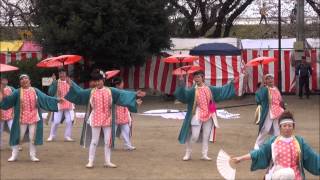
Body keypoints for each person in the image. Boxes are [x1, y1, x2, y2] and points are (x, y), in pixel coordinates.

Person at [64, 70, 145, 168]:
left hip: (108, 118)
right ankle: (90, 161)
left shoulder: (110, 90)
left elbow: (122, 94)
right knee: (94, 141)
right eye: (95, 81)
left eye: (99, 80)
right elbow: (80, 93)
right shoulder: (91, 91)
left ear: (103, 80)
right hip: (96, 118)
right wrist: (72, 84)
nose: (97, 83)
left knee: (108, 141)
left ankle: (107, 161)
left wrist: (135, 94)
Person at [232, 110, 320, 179]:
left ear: (293, 127)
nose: (287, 128)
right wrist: (241, 158)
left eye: (289, 126)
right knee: (288, 173)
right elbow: (259, 153)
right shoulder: (274, 141)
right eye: (284, 126)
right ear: (279, 127)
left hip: (296, 177)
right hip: (278, 175)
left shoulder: (299, 142)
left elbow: (313, 157)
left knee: (290, 173)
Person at [174, 70, 237, 161]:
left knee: (206, 135)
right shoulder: (192, 90)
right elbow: (184, 95)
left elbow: (221, 90)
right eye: (195, 77)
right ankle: (188, 152)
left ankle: (204, 154)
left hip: (209, 114)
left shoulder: (209, 88)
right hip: (197, 114)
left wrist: (231, 83)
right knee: (194, 136)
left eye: (198, 77)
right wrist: (181, 83)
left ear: (203, 78)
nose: (196, 79)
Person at [0, 74, 60, 162]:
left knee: (33, 137)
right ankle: (14, 155)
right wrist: (2, 96)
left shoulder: (35, 90)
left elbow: (45, 98)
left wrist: (57, 100)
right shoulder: (17, 92)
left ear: (29, 80)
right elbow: (8, 100)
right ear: (20, 82)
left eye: (26, 78)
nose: (24, 80)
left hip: (34, 118)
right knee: (18, 136)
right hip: (21, 118)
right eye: (22, 79)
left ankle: (33, 155)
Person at [254, 74, 284, 150]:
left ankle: (276, 144)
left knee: (277, 129)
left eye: (271, 78)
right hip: (269, 111)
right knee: (265, 128)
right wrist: (261, 88)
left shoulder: (276, 88)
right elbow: (258, 97)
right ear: (265, 81)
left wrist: (282, 106)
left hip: (278, 111)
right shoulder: (265, 89)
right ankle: (258, 144)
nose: (270, 80)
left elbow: (280, 99)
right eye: (268, 79)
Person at [47, 69, 75, 142]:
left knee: (69, 121)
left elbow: (75, 91)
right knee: (56, 121)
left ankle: (67, 136)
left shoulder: (70, 81)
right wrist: (53, 82)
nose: (61, 74)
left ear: (66, 74)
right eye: (60, 73)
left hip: (69, 103)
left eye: (63, 73)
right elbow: (50, 92)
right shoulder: (56, 82)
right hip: (59, 103)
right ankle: (51, 136)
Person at [112, 77, 136, 150]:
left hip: (123, 112)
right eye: (122, 83)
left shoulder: (123, 92)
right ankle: (110, 145)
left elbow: (128, 100)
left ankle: (127, 145)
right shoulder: (113, 92)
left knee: (126, 130)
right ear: (117, 85)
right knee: (112, 131)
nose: (123, 84)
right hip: (114, 113)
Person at [0, 77, 15, 150]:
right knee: (0, 130)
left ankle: (14, 145)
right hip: (0, 113)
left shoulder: (9, 89)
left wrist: (2, 90)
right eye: (3, 80)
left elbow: (8, 99)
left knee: (12, 129)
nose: (5, 81)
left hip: (9, 112)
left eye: (6, 80)